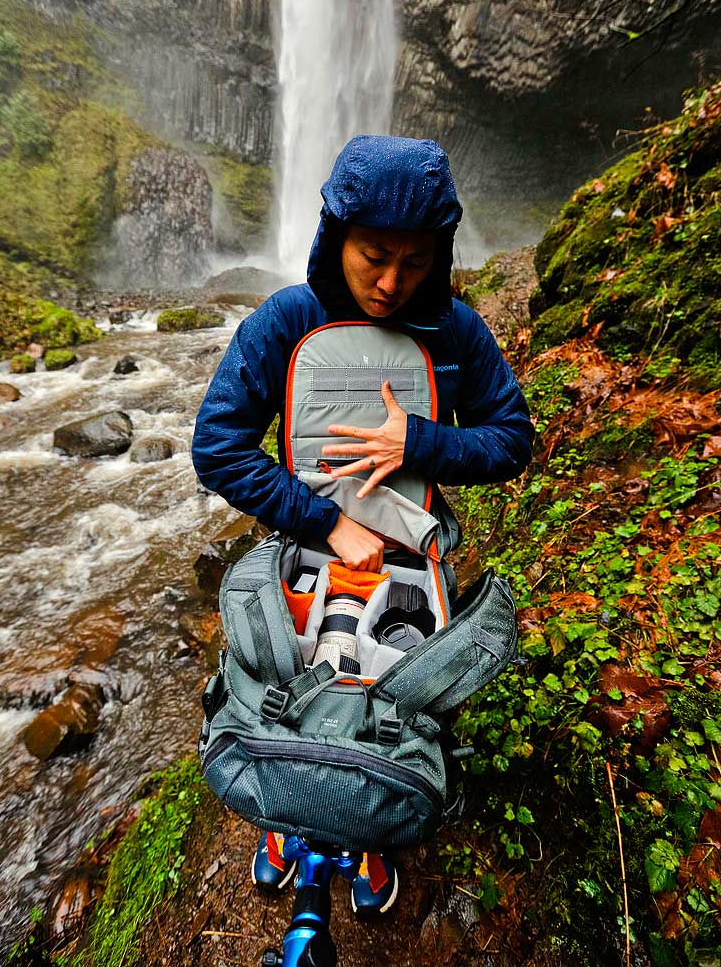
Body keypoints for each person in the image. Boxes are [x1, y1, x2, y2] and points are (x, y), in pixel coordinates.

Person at [191, 134, 534, 915]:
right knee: (289, 691)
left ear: (439, 254)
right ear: (334, 234)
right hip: (302, 547)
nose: (390, 283)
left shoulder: (454, 333)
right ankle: (289, 818)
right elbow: (216, 447)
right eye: (373, 255)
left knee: (390, 703)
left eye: (413, 264)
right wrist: (322, 523)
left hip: (412, 555)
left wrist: (422, 441)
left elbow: (512, 438)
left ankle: (364, 837)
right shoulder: (286, 323)